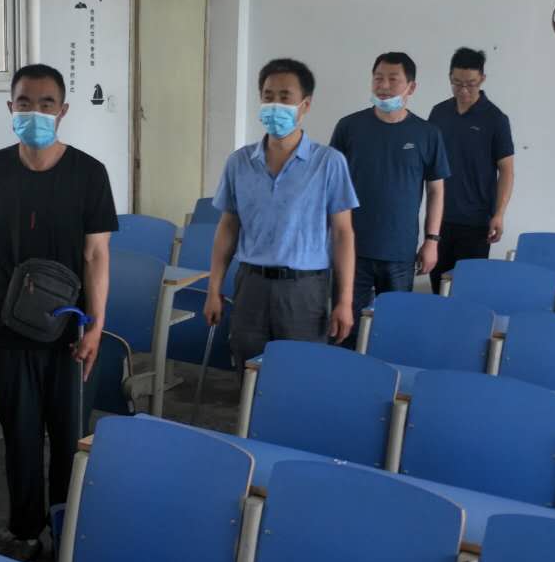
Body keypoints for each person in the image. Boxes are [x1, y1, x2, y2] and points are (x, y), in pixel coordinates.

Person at [0, 64, 117, 562]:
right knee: (20, 435)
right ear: (10, 108)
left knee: (68, 439)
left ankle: (66, 531)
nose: (35, 112)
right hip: (8, 330)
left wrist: (96, 324)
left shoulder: (89, 174)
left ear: (63, 110)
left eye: (46, 103)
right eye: (24, 103)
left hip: (69, 331)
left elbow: (96, 255)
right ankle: (25, 529)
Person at [204, 58, 357, 365]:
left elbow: (342, 234)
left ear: (305, 105)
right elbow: (228, 226)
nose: (275, 105)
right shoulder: (239, 162)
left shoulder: (329, 162)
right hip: (251, 285)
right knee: (248, 370)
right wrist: (213, 288)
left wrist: (344, 300)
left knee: (299, 373)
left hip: (304, 289)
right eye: (268, 96)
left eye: (285, 97)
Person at [330, 52, 450, 340]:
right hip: (352, 249)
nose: (383, 86)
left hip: (400, 251)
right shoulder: (349, 127)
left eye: (393, 79)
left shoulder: (427, 133)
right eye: (378, 78)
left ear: (411, 87)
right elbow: (330, 185)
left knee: (394, 331)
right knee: (344, 330)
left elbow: (436, 190)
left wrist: (432, 241)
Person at [428, 47, 515, 293]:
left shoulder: (495, 119)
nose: (463, 90)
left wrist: (499, 214)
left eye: (471, 84)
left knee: (467, 290)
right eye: (457, 83)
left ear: (482, 79)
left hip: (476, 223)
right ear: (450, 77)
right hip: (439, 219)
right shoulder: (439, 113)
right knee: (437, 286)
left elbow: (507, 170)